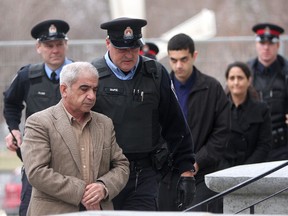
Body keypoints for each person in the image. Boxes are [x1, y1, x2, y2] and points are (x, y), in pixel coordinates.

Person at [91, 17, 196, 211]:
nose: (129, 55)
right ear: (108, 44)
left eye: (133, 48)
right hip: (103, 174)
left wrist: (186, 170)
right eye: (122, 49)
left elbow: (175, 124)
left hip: (143, 173)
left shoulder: (155, 74)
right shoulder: (91, 75)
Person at [21, 62, 129, 215]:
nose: (91, 96)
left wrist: (103, 187)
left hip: (97, 211)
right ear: (64, 89)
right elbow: (36, 172)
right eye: (84, 89)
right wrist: (81, 192)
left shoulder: (104, 123)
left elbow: (122, 165)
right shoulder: (39, 122)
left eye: (95, 89)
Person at [3, 19, 73, 216]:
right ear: (38, 47)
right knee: (29, 210)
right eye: (49, 46)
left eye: (59, 44)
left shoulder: (79, 75)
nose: (55, 50)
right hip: (37, 160)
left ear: (66, 44)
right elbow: (11, 103)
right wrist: (14, 129)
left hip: (72, 161)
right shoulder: (27, 76)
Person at [160, 33, 230, 212]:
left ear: (194, 56)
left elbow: (221, 133)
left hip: (202, 174)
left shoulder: (212, 88)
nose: (178, 65)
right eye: (173, 60)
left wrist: (198, 161)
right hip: (167, 175)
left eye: (183, 59)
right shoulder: (161, 88)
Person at [247, 23, 288, 161]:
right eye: (262, 42)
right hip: (252, 147)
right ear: (256, 44)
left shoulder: (286, 73)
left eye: (271, 43)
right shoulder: (244, 73)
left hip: (282, 148)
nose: (266, 47)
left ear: (278, 45)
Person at [219, 61, 272, 169]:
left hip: (253, 171)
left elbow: (264, 145)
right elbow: (216, 144)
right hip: (224, 171)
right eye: (232, 78)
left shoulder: (262, 109)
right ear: (227, 82)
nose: (236, 82)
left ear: (249, 80)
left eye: (240, 78)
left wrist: (245, 170)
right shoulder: (219, 110)